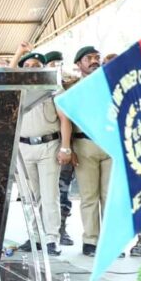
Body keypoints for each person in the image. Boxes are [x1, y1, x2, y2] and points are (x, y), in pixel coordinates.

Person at [12, 46, 73, 256]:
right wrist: (18, 54)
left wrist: (66, 147)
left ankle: (51, 239)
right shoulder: (18, 89)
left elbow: (65, 119)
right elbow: (6, 76)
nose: (31, 69)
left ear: (43, 68)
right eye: (27, 66)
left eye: (35, 66)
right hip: (23, 147)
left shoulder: (53, 87)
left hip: (49, 146)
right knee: (30, 197)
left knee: (50, 195)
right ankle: (34, 236)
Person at [69, 46, 111, 256]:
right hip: (84, 145)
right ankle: (90, 241)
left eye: (97, 57)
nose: (94, 61)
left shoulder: (111, 85)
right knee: (88, 196)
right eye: (89, 58)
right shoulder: (72, 89)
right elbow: (65, 120)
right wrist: (68, 148)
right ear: (79, 64)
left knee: (109, 196)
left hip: (110, 146)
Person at [44, 50, 75, 247]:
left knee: (63, 191)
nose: (56, 66)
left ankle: (61, 230)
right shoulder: (44, 85)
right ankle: (54, 230)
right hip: (54, 146)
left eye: (59, 63)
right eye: (52, 63)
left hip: (69, 144)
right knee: (53, 191)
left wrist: (69, 148)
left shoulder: (70, 84)